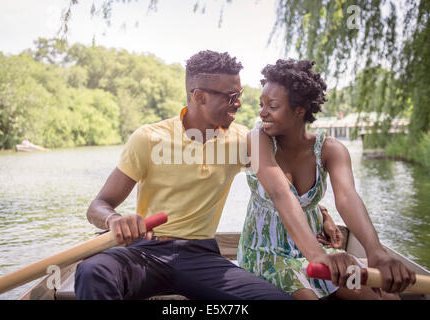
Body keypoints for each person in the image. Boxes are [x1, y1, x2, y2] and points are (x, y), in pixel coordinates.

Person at [74, 50, 298, 300]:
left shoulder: (243, 140)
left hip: (201, 256)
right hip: (146, 253)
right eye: (231, 96)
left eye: (240, 95)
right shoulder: (149, 138)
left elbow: (280, 185)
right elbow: (98, 206)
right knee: (92, 271)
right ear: (199, 96)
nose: (239, 103)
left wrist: (320, 212)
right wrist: (113, 220)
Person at [237, 59, 416, 300]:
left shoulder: (330, 149)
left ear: (299, 111)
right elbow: (281, 194)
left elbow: (347, 198)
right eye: (261, 104)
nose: (262, 112)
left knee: (383, 297)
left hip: (314, 250)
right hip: (265, 254)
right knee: (308, 297)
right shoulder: (258, 139)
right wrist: (318, 257)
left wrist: (376, 252)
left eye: (273, 105)